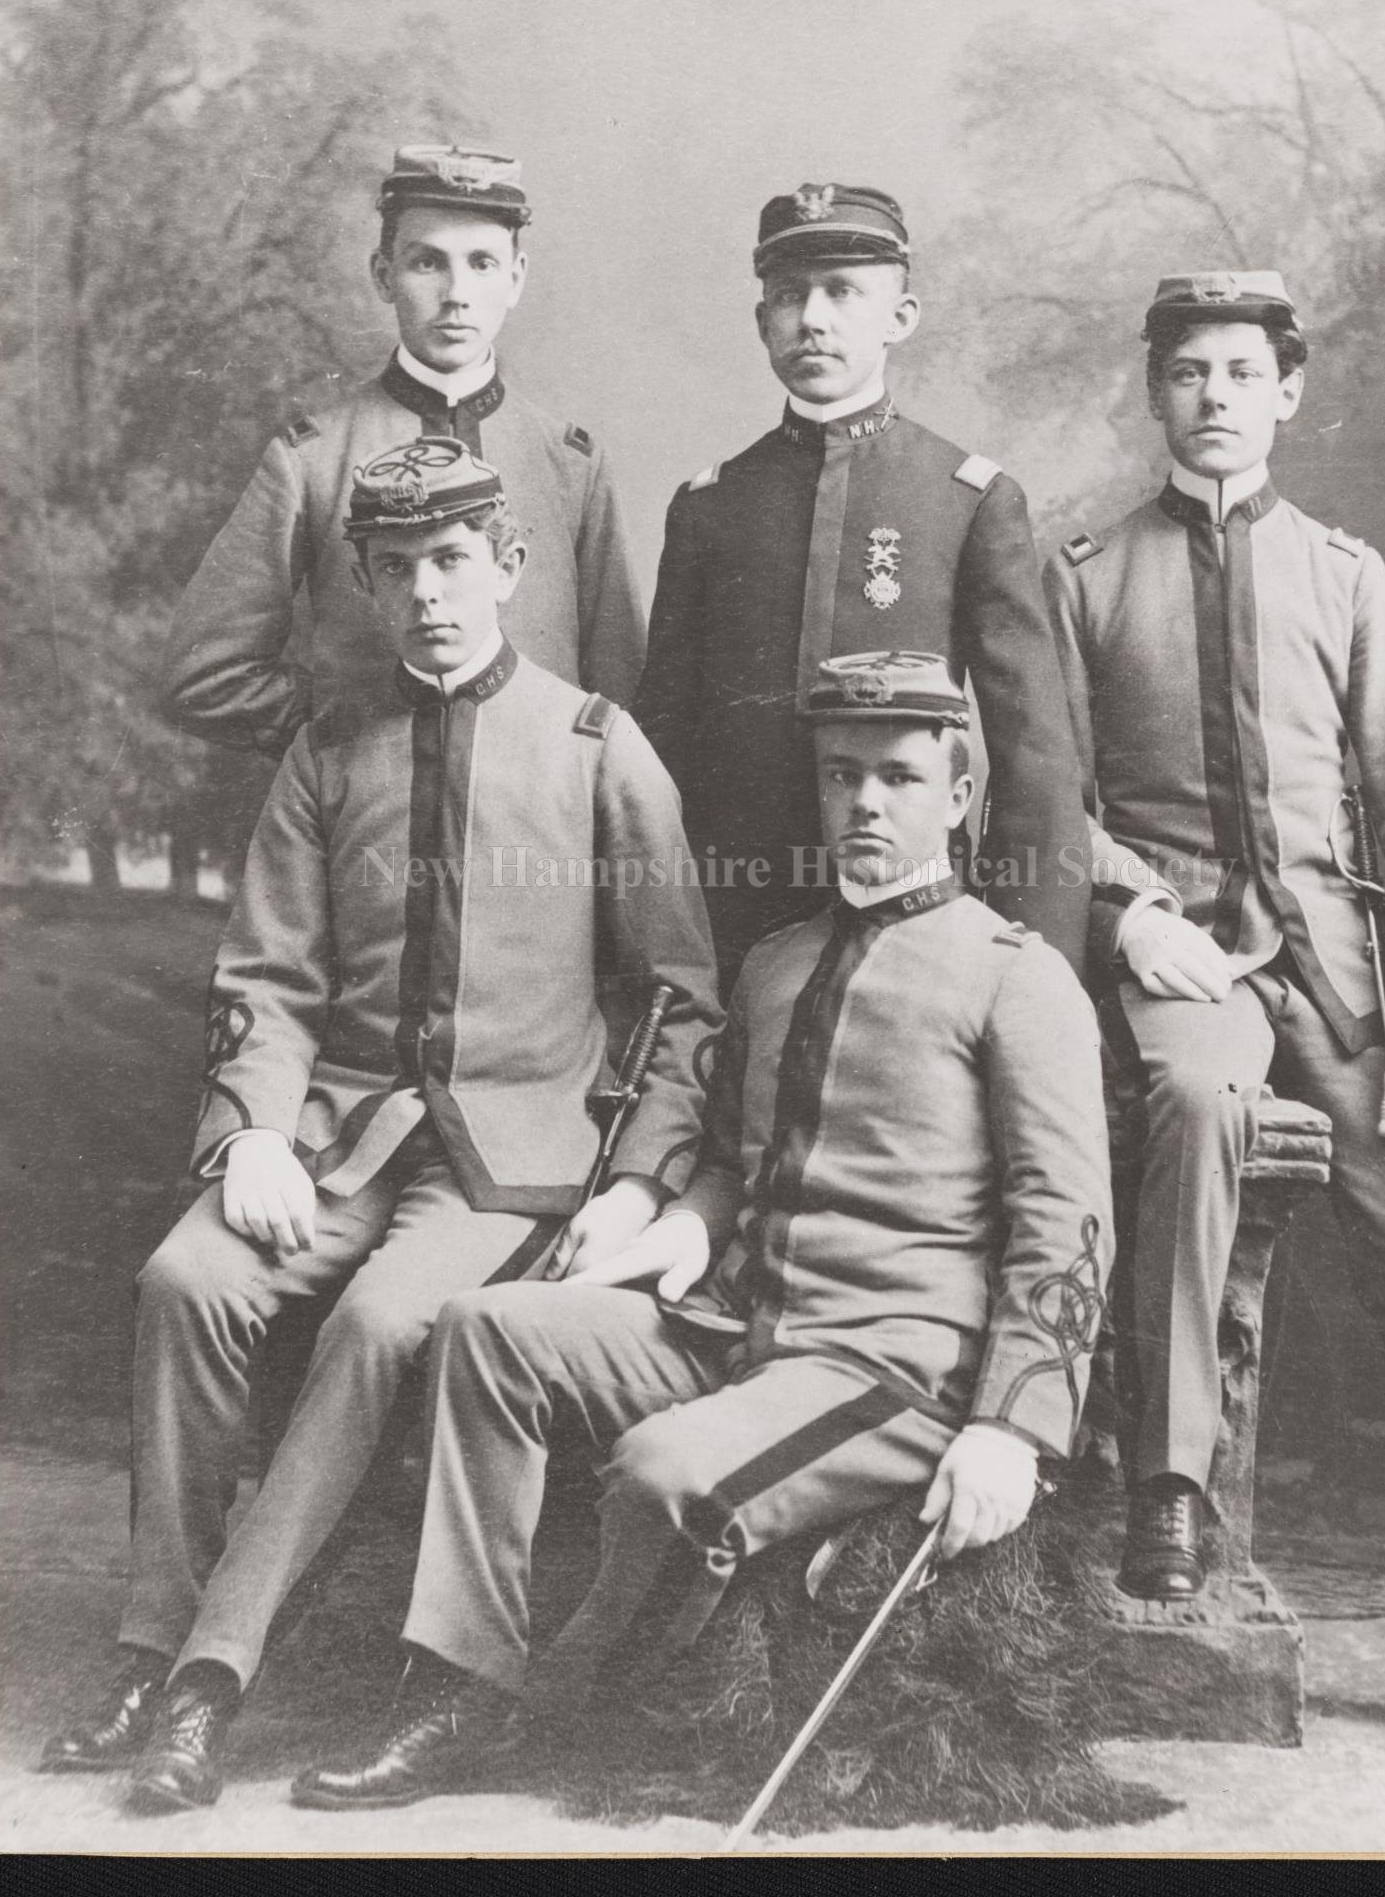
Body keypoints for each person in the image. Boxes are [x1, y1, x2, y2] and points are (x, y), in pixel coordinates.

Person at [287, 650, 1115, 1810]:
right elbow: (729, 1155)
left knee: (663, 1469)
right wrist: (681, 1225)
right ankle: (455, 1676)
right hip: (738, 1323)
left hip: (887, 1365)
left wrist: (1012, 1429)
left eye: (896, 776)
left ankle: (538, 1705)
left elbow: (1065, 1220)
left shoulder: (1014, 978)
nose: (864, 803)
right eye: (840, 777)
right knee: (488, 1325)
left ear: (959, 796)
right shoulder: (775, 962)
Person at [41, 437, 720, 1812]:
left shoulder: (597, 746)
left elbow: (684, 1004)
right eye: (396, 567)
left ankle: (205, 1684)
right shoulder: (329, 746)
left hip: (512, 1166)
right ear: (360, 578)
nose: (426, 594)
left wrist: (643, 1183)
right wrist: (253, 1137)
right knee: (185, 1277)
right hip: (340, 1135)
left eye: (453, 561)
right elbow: (268, 973)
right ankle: (145, 1634)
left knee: (373, 1328)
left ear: (509, 570)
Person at [1041, 270, 1385, 1755]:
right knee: (1192, 1105)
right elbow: (1042, 804)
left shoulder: (1344, 575)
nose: (1212, 396)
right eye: (1186, 371)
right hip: (1187, 961)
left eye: (1241, 371)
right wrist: (1129, 914)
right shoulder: (1085, 577)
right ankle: (1171, 1491)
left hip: (1345, 975)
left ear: (1287, 392)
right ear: (1155, 392)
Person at [632, 182, 1134, 989]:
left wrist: (1033, 966)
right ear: (763, 321)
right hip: (734, 916)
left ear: (900, 317)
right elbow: (659, 744)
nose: (814, 319)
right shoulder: (711, 507)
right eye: (790, 296)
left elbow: (1034, 756)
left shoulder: (967, 498)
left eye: (843, 292)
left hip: (917, 919)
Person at [161, 144, 645, 758]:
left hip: (539, 829)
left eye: (482, 264)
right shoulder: (312, 458)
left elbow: (622, 691)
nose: (456, 293)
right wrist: (346, 726)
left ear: (517, 278)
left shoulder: (571, 464)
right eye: (426, 263)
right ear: (383, 275)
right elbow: (202, 675)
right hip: (374, 825)